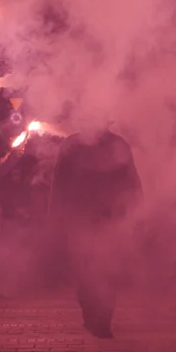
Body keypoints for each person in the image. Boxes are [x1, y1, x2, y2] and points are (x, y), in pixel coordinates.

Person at [49, 128, 142, 339]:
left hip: (94, 219)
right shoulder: (79, 144)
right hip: (96, 219)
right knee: (100, 270)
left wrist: (56, 217)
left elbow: (58, 187)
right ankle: (98, 318)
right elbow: (134, 185)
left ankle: (97, 319)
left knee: (97, 270)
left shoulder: (75, 144)